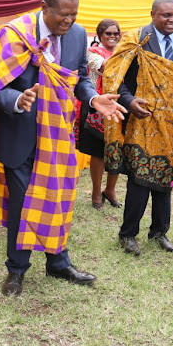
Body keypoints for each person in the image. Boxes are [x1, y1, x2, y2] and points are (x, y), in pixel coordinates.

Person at [0, 0, 126, 296]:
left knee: (59, 197)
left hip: (59, 135)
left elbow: (76, 79)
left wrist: (93, 99)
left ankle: (58, 263)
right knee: (21, 206)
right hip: (19, 135)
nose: (69, 22)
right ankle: (16, 271)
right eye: (63, 15)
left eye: (74, 16)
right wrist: (16, 101)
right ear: (44, 8)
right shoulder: (14, 34)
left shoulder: (77, 36)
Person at [104, 0, 173, 256]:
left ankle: (159, 232)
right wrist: (128, 102)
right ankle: (128, 234)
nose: (172, 20)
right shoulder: (137, 38)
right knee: (140, 178)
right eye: (166, 15)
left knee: (165, 174)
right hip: (142, 117)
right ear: (153, 14)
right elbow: (115, 76)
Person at [76, 19, 122, 209]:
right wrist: (125, 54)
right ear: (100, 36)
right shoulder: (93, 53)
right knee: (99, 153)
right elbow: (105, 67)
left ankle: (110, 190)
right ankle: (96, 192)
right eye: (108, 34)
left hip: (120, 106)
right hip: (98, 106)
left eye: (116, 33)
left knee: (118, 150)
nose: (112, 37)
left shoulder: (123, 53)